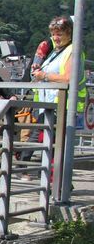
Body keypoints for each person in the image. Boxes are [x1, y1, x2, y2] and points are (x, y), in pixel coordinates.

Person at [19, 16, 87, 179]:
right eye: (54, 34)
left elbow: (69, 77)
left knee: (51, 145)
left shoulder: (73, 51)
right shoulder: (56, 51)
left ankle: (53, 183)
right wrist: (39, 70)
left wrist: (45, 75)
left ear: (70, 33)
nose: (56, 38)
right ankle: (53, 181)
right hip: (49, 106)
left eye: (60, 34)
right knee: (45, 142)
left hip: (62, 107)